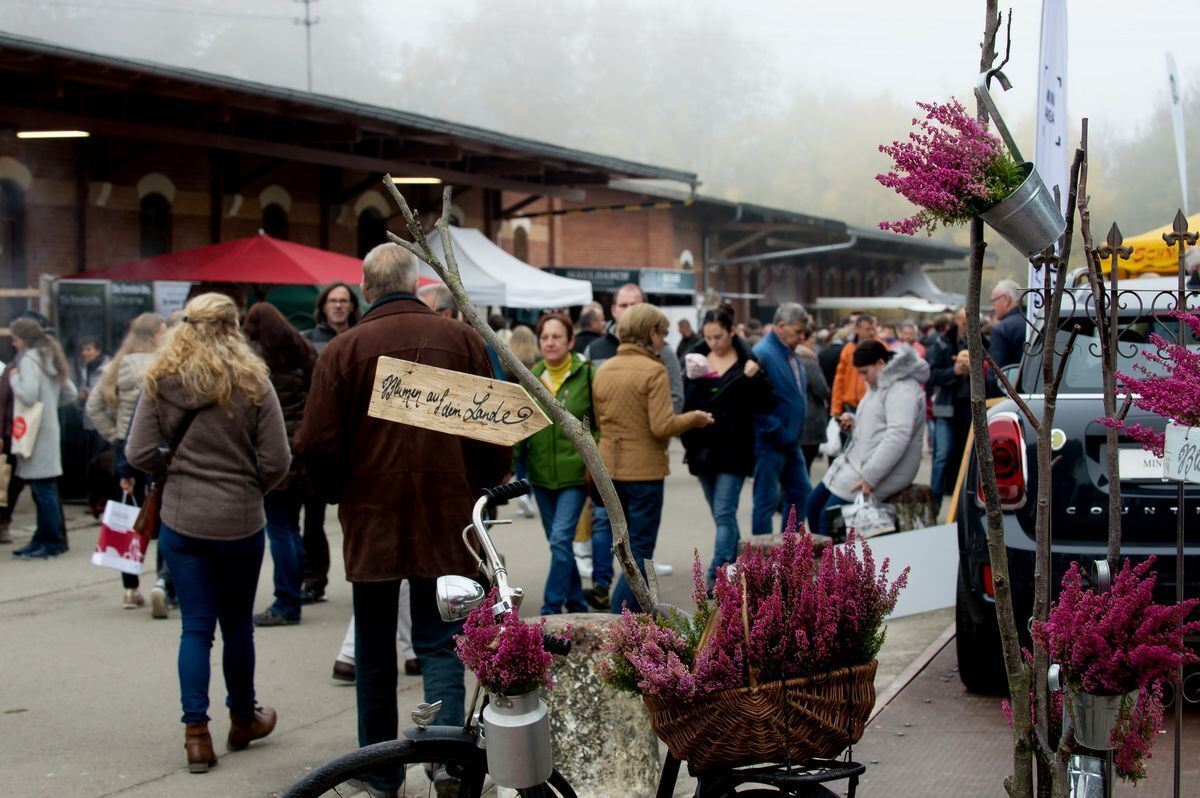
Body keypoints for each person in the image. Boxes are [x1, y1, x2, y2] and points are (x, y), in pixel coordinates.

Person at [294, 243, 510, 794]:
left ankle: (379, 772)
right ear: (415, 284)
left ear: (365, 289)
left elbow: (315, 443)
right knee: (440, 641)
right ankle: (446, 761)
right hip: (447, 515)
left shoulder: (343, 350)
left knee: (373, 650)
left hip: (373, 520)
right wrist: (483, 488)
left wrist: (338, 491)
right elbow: (493, 429)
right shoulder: (460, 340)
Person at [126, 293, 290, 773]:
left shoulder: (161, 379)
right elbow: (277, 459)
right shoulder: (253, 380)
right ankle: (242, 719)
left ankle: (196, 735)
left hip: (182, 518)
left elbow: (138, 452)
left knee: (196, 628)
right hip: (240, 520)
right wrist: (250, 486)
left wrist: (172, 472)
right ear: (233, 327)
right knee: (237, 626)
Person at [593, 303, 713, 613]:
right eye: (663, 333)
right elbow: (662, 426)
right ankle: (619, 616)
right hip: (644, 471)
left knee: (623, 546)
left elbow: (600, 420)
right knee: (641, 550)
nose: (664, 340)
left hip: (609, 469)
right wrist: (694, 418)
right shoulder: (654, 370)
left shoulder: (604, 370)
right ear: (651, 333)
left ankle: (626, 614)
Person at [681, 307, 773, 585]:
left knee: (723, 513)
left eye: (718, 336)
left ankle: (717, 573)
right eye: (708, 337)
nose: (713, 343)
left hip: (734, 450)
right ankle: (739, 567)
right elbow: (685, 404)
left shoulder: (748, 361)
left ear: (732, 331)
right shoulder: (696, 359)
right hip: (702, 450)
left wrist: (754, 377)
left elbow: (766, 402)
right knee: (723, 515)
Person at [514, 312, 596, 615]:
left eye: (556, 336)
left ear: (571, 341)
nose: (550, 342)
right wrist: (510, 467)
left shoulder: (587, 374)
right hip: (540, 476)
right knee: (559, 545)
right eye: (545, 337)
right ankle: (577, 603)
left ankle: (550, 608)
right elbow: (520, 424)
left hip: (576, 475)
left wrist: (593, 458)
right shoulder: (530, 376)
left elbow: (599, 423)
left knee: (561, 539)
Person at [86, 313, 167, 610]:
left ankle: (130, 590)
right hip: (157, 447)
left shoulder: (115, 366)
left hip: (124, 447)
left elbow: (93, 406)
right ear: (156, 333)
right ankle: (164, 583)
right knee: (164, 517)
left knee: (130, 517)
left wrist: (114, 434)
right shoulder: (164, 364)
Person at [806, 340, 929, 536]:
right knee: (813, 506)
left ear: (880, 363)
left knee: (828, 520)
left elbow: (897, 436)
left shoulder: (902, 389)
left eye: (865, 372)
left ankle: (832, 557)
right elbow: (877, 423)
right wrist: (854, 422)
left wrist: (871, 476)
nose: (863, 378)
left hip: (879, 470)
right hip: (859, 464)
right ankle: (825, 555)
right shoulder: (879, 384)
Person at [243, 303, 317, 627]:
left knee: (279, 529)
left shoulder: (254, 358)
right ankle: (293, 593)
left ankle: (286, 601)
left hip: (272, 448)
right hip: (301, 448)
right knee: (292, 528)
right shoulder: (303, 349)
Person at [298, 282, 360, 605]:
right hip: (322, 439)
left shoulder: (361, 337)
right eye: (333, 300)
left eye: (343, 300)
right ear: (323, 306)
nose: (338, 306)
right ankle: (313, 579)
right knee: (312, 519)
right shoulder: (307, 341)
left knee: (358, 516)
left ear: (352, 305)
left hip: (355, 442)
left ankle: (362, 576)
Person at [8, 319, 75, 559]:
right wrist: (50, 405)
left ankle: (50, 541)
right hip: (48, 428)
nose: (13, 343)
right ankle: (42, 538)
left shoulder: (28, 359)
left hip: (34, 431)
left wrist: (14, 378)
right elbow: (70, 392)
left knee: (42, 490)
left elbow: (27, 394)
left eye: (15, 338)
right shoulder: (50, 356)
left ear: (24, 338)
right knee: (45, 487)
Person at [750, 304, 813, 536]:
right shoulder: (763, 353)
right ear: (781, 326)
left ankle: (789, 547)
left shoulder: (788, 351)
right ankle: (761, 554)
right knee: (765, 501)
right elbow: (753, 403)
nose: (802, 337)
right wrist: (777, 429)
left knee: (800, 492)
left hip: (789, 439)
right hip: (771, 440)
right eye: (798, 332)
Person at [926, 310, 972, 510]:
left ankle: (963, 504)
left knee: (968, 457)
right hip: (947, 407)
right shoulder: (942, 343)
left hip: (970, 409)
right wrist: (953, 371)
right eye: (965, 322)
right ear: (957, 321)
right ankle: (934, 503)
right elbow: (932, 375)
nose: (968, 326)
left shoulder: (982, 343)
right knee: (942, 454)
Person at [831, 314, 879, 426]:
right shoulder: (848, 349)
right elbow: (839, 379)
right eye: (867, 329)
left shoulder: (881, 347)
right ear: (857, 329)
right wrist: (836, 407)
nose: (871, 332)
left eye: (873, 329)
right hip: (850, 405)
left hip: (873, 405)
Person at [795, 322, 831, 469]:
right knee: (804, 466)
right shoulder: (808, 361)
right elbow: (821, 389)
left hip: (795, 422)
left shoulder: (789, 357)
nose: (813, 343)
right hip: (810, 420)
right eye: (812, 339)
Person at [989, 278, 1025, 369]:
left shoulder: (1001, 329)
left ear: (1006, 299)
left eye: (993, 301)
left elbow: (996, 372)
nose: (993, 307)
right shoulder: (1036, 321)